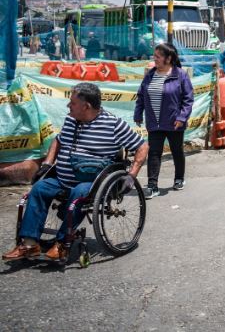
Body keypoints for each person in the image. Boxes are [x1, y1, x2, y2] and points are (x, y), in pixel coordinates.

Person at [3, 83, 149, 262]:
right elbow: (58, 140)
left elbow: (142, 146)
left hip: (91, 181)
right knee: (39, 188)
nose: (68, 106)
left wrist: (131, 175)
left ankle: (62, 244)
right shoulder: (71, 119)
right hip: (61, 178)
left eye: (72, 103)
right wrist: (47, 164)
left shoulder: (113, 125)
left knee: (79, 194)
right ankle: (29, 243)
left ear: (86, 106)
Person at [134, 43, 194, 199]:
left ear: (168, 59)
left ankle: (179, 178)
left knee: (176, 151)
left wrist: (181, 118)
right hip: (154, 122)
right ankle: (152, 186)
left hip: (174, 122)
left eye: (158, 57)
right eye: (154, 56)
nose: (155, 59)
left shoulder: (180, 75)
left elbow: (188, 99)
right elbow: (141, 95)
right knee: (154, 153)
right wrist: (138, 113)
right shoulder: (150, 75)